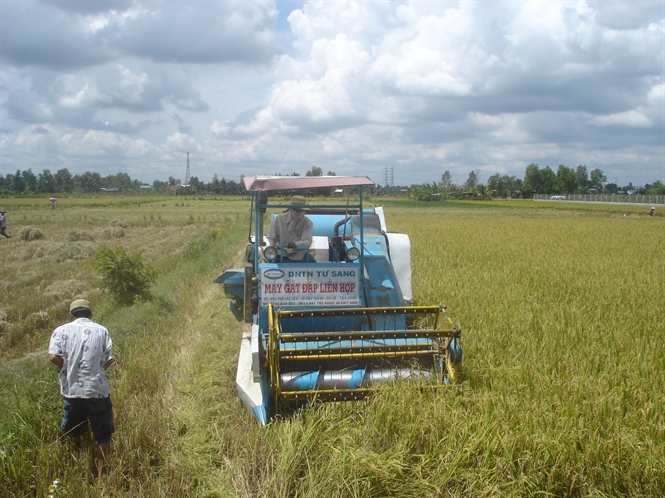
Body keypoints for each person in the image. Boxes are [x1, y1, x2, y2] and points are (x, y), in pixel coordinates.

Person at [48, 299, 115, 478]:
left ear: (71, 315)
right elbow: (109, 358)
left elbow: (52, 355)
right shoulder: (101, 330)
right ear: (90, 314)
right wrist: (98, 371)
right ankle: (102, 477)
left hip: (72, 391)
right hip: (97, 390)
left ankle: (76, 471)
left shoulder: (61, 331)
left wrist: (67, 368)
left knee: (74, 432)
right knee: (102, 435)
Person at [267, 195, 315, 262]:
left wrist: (296, 244)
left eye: (301, 210)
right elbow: (271, 237)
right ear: (291, 209)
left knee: (313, 264)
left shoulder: (307, 222)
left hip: (300, 254)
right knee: (273, 268)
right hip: (281, 253)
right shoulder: (278, 219)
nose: (299, 212)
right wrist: (271, 248)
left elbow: (308, 241)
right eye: (296, 210)